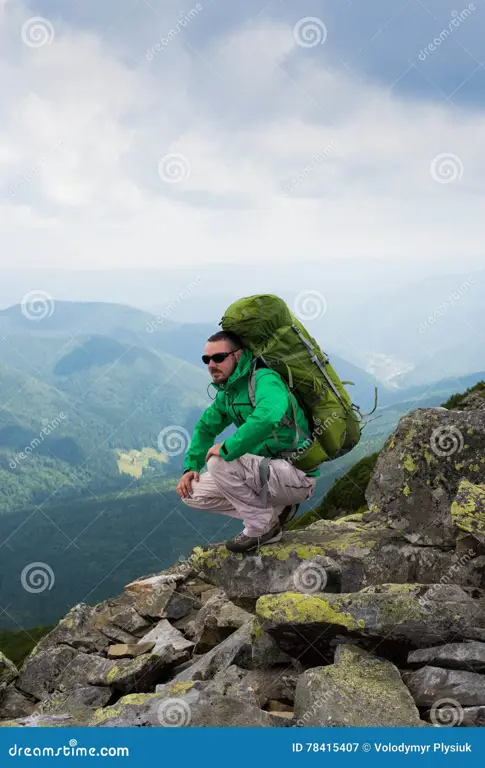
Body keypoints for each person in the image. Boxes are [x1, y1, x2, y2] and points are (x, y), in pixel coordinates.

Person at [176, 330, 320, 553]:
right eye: (207, 359)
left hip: (295, 473)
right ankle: (274, 512)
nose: (211, 364)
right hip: (264, 474)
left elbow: (268, 416)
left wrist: (227, 447)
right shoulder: (229, 393)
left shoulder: (265, 380)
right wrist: (191, 466)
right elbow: (205, 427)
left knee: (218, 460)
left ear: (238, 355)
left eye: (219, 357)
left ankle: (261, 526)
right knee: (191, 493)